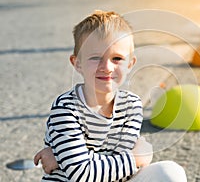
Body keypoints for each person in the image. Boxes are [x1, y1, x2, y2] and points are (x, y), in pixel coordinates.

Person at [34, 10, 187, 182]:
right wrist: (135, 158)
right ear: (77, 63)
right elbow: (82, 173)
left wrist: (63, 159)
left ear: (130, 64)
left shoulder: (131, 106)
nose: (106, 67)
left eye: (117, 58)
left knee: (171, 172)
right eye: (96, 57)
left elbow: (123, 171)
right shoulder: (66, 109)